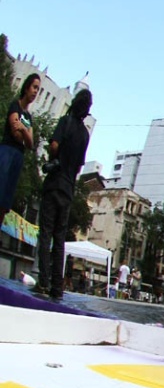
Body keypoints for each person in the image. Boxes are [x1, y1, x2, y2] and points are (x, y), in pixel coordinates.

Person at [35, 89, 92, 299]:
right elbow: (79, 167)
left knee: (46, 233)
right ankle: (57, 286)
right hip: (68, 189)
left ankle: (43, 281)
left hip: (54, 183)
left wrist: (55, 157)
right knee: (59, 239)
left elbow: (54, 145)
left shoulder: (64, 122)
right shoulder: (85, 134)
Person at [0, 73, 40, 222]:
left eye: (38, 89)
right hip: (6, 153)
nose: (35, 92)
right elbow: (15, 133)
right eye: (34, 87)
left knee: (5, 201)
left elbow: (30, 143)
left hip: (18, 157)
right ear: (27, 87)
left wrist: (23, 129)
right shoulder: (15, 106)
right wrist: (24, 132)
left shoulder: (28, 117)